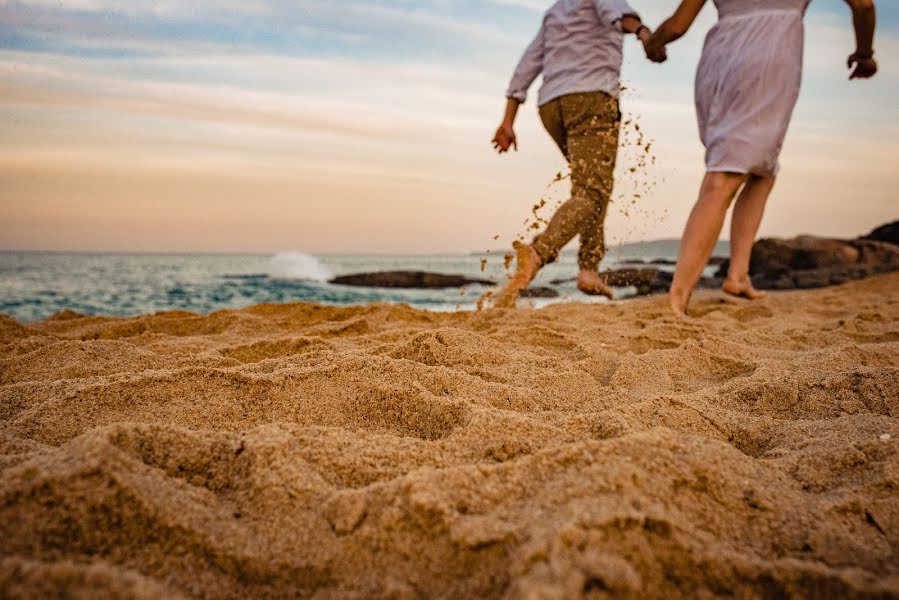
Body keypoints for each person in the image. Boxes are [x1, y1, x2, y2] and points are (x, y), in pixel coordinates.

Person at [644, 0, 878, 317]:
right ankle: (678, 297)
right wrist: (864, 54)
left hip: (720, 57)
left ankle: (737, 274)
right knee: (726, 174)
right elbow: (863, 5)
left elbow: (676, 25)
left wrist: (653, 44)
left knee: (762, 168)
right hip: (769, 55)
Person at [491, 0, 666, 308]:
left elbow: (528, 64)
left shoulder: (555, 12)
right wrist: (642, 31)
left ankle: (589, 268)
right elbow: (618, 17)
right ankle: (539, 252)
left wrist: (508, 120)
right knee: (592, 190)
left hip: (552, 106)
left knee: (589, 188)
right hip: (591, 98)